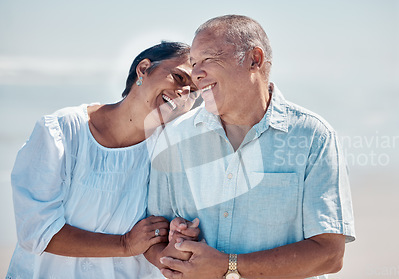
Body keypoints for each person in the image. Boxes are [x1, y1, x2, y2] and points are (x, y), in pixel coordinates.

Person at [145, 15, 356, 279]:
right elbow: (154, 239)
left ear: (254, 60)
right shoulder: (174, 138)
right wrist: (175, 250)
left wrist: (228, 266)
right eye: (194, 63)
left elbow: (329, 255)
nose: (196, 74)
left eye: (208, 59)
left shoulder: (314, 137)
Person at [7, 41, 200, 279]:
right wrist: (124, 244)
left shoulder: (169, 153)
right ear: (143, 69)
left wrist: (176, 243)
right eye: (179, 78)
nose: (184, 94)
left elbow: (152, 242)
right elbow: (36, 231)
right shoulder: (62, 131)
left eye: (194, 91)